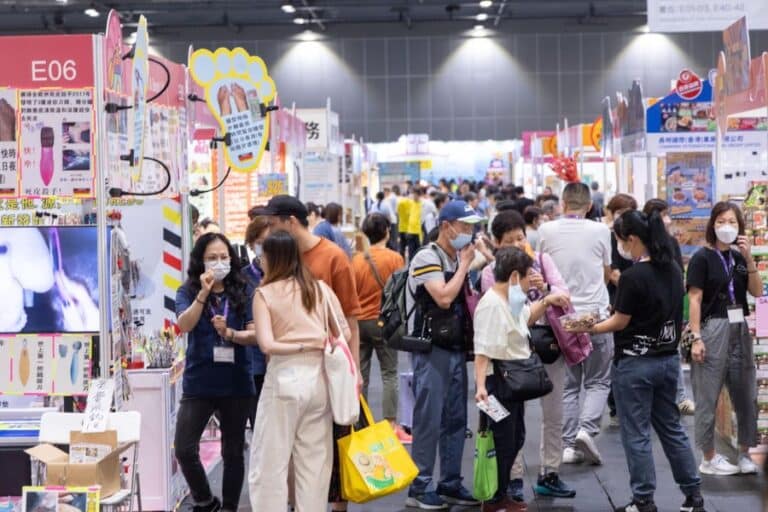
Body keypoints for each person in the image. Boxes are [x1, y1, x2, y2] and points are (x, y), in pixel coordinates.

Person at [577, 210, 706, 512]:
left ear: (632, 239)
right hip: (667, 361)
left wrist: (590, 327)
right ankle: (694, 496)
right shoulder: (673, 268)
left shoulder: (633, 276)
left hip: (635, 365)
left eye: (621, 241)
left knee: (636, 435)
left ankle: (643, 500)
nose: (621, 248)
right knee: (672, 429)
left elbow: (620, 322)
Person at [252, 195, 362, 510]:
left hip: (284, 378)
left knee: (269, 462)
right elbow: (344, 330)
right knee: (315, 465)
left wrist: (301, 344)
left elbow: (267, 344)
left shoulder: (265, 294)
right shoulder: (319, 289)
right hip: (320, 380)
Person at [479, 210, 576, 501]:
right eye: (510, 240)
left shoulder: (542, 261)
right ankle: (513, 478)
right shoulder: (492, 274)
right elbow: (510, 319)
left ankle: (550, 472)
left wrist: (544, 287)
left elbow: (564, 294)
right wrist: (538, 297)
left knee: (553, 413)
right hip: (511, 355)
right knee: (512, 423)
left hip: (548, 346)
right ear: (497, 243)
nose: (518, 244)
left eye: (521, 238)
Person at [406, 200, 483, 510]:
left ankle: (450, 482)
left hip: (455, 347)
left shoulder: (453, 257)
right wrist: (465, 265)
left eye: (472, 227)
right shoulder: (427, 256)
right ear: (446, 226)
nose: (469, 232)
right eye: (464, 226)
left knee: (456, 418)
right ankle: (419, 486)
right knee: (429, 418)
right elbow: (443, 298)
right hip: (431, 349)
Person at [174, 233, 256, 512]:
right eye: (212, 258)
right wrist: (203, 294)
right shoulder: (187, 291)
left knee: (233, 452)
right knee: (184, 448)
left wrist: (230, 333)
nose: (219, 262)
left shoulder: (243, 289)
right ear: (201, 261)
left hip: (236, 382)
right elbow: (184, 325)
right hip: (199, 382)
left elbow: (254, 333)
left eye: (223, 257)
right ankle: (205, 500)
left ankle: (230, 507)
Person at [538, 182, 613, 466]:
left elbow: (541, 268)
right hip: (595, 315)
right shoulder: (601, 230)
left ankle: (568, 445)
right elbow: (606, 271)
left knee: (568, 385)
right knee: (598, 380)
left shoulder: (546, 230)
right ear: (590, 206)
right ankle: (587, 430)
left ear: (562, 203)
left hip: (561, 316)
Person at [687, 202, 761, 476]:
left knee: (746, 393)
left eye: (731, 221)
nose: (726, 226)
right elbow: (694, 299)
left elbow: (756, 291)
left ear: (740, 227)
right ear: (712, 225)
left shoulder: (740, 259)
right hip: (712, 328)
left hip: (739, 326)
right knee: (707, 394)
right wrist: (696, 337)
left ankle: (744, 453)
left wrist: (749, 259)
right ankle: (708, 457)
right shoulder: (702, 258)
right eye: (720, 221)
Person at [352, 213, 410, 443]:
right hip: (384, 322)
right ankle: (390, 425)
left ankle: (360, 425)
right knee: (389, 373)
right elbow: (401, 292)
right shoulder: (395, 259)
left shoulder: (355, 260)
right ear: (387, 231)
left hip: (359, 322)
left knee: (361, 375)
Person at [643, 198, 694, 416]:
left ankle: (680, 397)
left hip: (668, 307)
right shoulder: (640, 241)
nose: (668, 219)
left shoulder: (671, 242)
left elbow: (679, 274)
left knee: (671, 350)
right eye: (664, 214)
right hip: (646, 307)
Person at [241, 217, 269, 430]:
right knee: (260, 427)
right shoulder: (243, 279)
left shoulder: (290, 277)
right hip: (255, 366)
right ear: (251, 245)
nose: (266, 248)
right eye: (260, 242)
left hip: (285, 365)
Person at [404, 188, 423, 261]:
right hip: (410, 231)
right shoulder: (410, 203)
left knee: (419, 251)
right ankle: (410, 265)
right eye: (413, 194)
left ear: (419, 195)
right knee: (411, 251)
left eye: (415, 194)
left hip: (419, 231)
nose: (413, 196)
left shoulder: (423, 204)